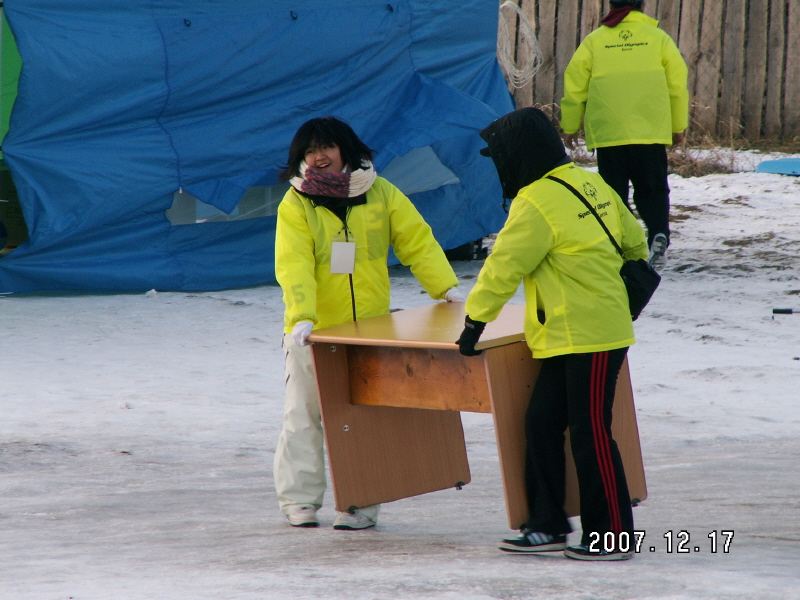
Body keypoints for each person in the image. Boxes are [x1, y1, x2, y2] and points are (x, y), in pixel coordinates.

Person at [457, 107, 648, 561]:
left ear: (518, 155)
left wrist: (474, 323)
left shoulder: (535, 202)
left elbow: (504, 267)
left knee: (591, 433)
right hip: (569, 331)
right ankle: (547, 524)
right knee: (541, 423)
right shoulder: (589, 181)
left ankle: (614, 534)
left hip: (593, 333)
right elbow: (636, 243)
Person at [274, 116, 463, 530]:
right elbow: (294, 263)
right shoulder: (296, 203)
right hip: (314, 332)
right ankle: (300, 501)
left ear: (346, 149)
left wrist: (444, 289)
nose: (317, 157)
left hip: (368, 331)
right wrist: (302, 315)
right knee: (304, 414)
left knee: (362, 419)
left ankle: (360, 503)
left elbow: (417, 240)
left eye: (325, 147)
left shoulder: (381, 193)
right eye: (308, 151)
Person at [560, 0, 688, 271]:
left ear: (611, 5)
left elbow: (575, 86)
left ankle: (622, 245)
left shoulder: (595, 41)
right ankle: (658, 233)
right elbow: (677, 85)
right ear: (642, 5)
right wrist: (678, 126)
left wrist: (569, 126)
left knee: (614, 193)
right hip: (649, 131)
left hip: (609, 132)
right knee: (652, 188)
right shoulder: (659, 39)